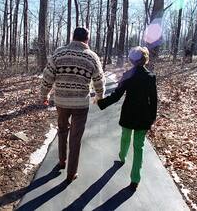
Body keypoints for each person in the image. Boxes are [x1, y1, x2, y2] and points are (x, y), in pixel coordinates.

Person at [41, 27, 106, 183]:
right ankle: (71, 173)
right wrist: (99, 96)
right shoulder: (92, 57)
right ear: (87, 39)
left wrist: (44, 94)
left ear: (72, 37)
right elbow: (99, 80)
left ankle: (62, 161)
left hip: (61, 101)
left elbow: (47, 76)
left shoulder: (59, 53)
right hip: (80, 104)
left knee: (62, 130)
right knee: (76, 138)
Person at [97, 46, 158, 191]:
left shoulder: (127, 75)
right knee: (139, 147)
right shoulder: (150, 77)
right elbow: (154, 100)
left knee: (125, 137)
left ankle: (122, 157)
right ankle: (135, 179)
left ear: (131, 60)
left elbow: (117, 96)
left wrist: (101, 102)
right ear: (145, 59)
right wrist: (152, 118)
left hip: (129, 114)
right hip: (143, 117)